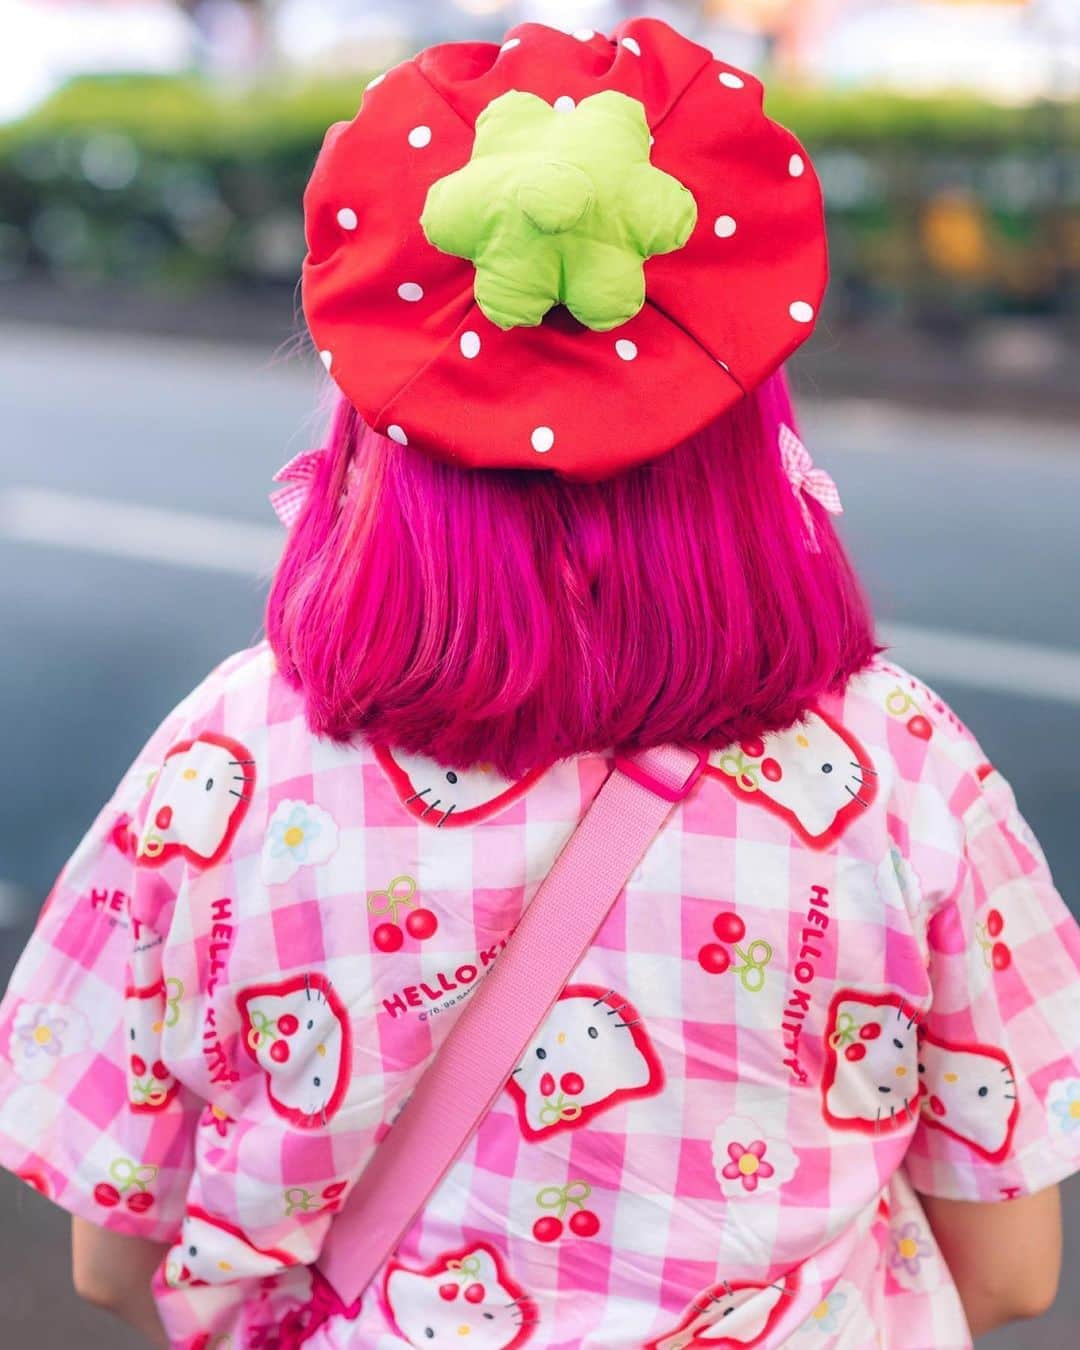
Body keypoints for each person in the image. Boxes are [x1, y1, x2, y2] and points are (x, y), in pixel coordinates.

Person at [0, 18, 1076, 1350]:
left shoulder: (229, 760)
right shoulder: (902, 768)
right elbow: (1016, 1266)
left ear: (379, 412)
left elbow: (115, 1256)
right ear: (744, 406)